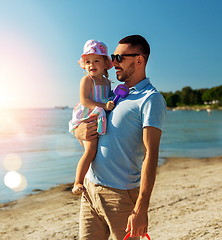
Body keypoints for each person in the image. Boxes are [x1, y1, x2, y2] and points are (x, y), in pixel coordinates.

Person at [74, 35, 166, 240]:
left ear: (139, 61)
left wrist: (141, 209)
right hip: (90, 189)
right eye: (113, 57)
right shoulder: (113, 93)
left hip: (119, 195)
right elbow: (91, 128)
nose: (113, 62)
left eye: (119, 57)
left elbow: (151, 154)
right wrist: (79, 133)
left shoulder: (151, 99)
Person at [69, 39, 115, 195]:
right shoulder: (87, 80)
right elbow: (85, 100)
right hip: (88, 116)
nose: (91, 64)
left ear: (105, 63)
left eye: (96, 60)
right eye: (87, 61)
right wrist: (104, 106)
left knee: (98, 149)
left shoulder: (108, 83)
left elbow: (108, 100)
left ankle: (96, 178)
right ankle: (77, 182)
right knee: (90, 150)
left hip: (100, 117)